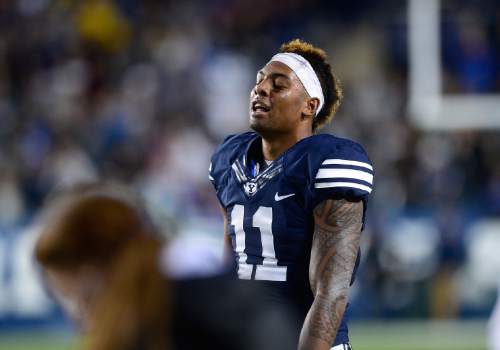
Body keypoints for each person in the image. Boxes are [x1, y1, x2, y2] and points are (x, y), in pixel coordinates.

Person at [209, 39, 374, 350]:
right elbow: (232, 265)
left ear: (309, 106)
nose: (260, 89)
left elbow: (331, 291)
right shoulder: (228, 158)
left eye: (278, 85)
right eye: (258, 81)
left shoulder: (329, 160)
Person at [35, 183, 295, 350]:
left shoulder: (197, 306)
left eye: (73, 298)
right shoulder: (178, 304)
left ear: (89, 275)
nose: (76, 315)